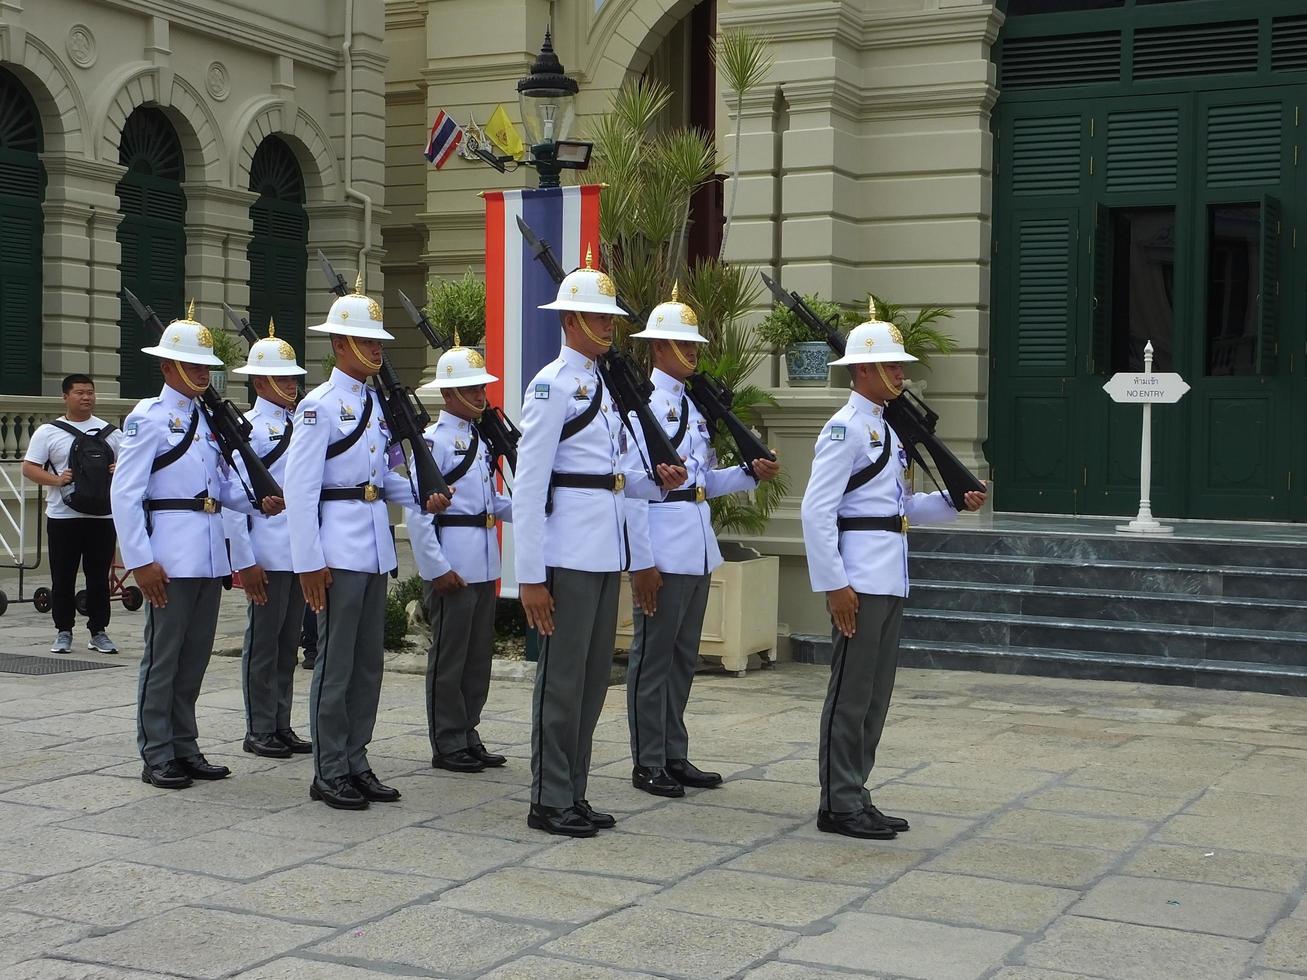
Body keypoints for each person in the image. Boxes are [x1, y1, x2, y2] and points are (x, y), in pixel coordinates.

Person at [516, 250, 686, 838]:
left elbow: (612, 476)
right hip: (566, 552)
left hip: (602, 548)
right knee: (562, 684)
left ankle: (575, 790)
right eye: (597, 316)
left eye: (611, 317)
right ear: (570, 322)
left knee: (591, 684)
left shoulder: (606, 384)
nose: (609, 325)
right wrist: (530, 577)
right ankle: (548, 796)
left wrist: (655, 481)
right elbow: (530, 486)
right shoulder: (552, 387)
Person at [800, 304, 986, 840]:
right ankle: (837, 802)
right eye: (891, 365)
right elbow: (817, 511)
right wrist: (834, 583)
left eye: (900, 366)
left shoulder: (886, 429)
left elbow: (898, 508)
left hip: (888, 575)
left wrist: (953, 503)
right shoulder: (845, 430)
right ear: (862, 371)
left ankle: (855, 791)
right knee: (850, 693)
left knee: (875, 696)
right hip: (858, 579)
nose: (901, 374)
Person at [285, 278, 448, 811]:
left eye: (379, 342)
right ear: (339, 345)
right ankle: (330, 768)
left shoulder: (377, 404)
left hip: (374, 545)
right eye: (368, 341)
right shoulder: (319, 406)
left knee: (367, 665)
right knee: (336, 664)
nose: (378, 349)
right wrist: (308, 562)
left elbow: (381, 479)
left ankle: (356, 759)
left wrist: (427, 494)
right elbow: (301, 490)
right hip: (336, 548)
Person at [110, 304, 282, 790]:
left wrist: (256, 503)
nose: (204, 374)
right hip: (170, 553)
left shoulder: (208, 420)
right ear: (168, 368)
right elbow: (125, 494)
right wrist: (141, 561)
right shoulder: (149, 417)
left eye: (207, 366)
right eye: (195, 366)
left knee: (194, 657)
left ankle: (185, 745)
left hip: (207, 554)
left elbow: (219, 489)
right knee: (164, 657)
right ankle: (157, 751)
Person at [622, 286, 781, 798]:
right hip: (661, 545)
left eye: (694, 346)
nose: (692, 353)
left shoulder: (692, 405)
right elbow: (631, 489)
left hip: (694, 540)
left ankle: (674, 751)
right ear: (658, 349)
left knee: (683, 655)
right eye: (682, 345)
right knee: (654, 657)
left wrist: (749, 474)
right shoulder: (639, 406)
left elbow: (701, 482)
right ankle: (647, 760)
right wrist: (641, 561)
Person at [406, 343, 512, 774]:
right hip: (453, 560)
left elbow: (489, 502)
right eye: (469, 388)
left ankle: (468, 731)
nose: (479, 394)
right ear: (449, 394)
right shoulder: (434, 441)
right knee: (450, 658)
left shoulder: (478, 438)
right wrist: (436, 568)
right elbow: (418, 510)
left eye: (480, 386)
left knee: (476, 656)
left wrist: (536, 508)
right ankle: (447, 740)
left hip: (483, 558)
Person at [223, 323, 312, 759]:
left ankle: (281, 722)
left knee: (287, 644)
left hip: (298, 553)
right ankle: (259, 727)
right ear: (260, 382)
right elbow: (233, 498)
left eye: (295, 377)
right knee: (263, 644)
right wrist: (245, 560)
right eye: (283, 378)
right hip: (267, 551)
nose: (292, 385)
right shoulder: (249, 428)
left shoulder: (302, 422)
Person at [22, 374, 123, 655]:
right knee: (63, 575)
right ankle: (63, 631)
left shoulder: (111, 432)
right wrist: (57, 481)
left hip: (103, 516)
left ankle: (99, 631)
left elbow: (132, 466)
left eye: (90, 392)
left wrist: (120, 471)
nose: (86, 397)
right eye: (79, 393)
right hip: (63, 515)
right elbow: (29, 467)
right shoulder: (49, 432)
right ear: (65, 396)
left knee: (99, 577)